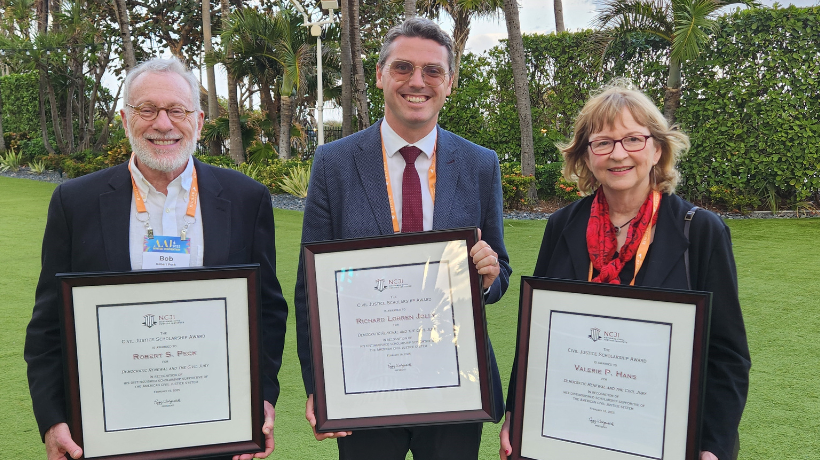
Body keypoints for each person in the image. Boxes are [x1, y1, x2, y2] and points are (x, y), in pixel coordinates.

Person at [24, 58, 287, 460]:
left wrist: (262, 398)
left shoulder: (245, 198)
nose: (162, 124)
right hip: (110, 431)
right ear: (126, 118)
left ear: (198, 121)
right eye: (147, 109)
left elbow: (267, 309)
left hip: (216, 427)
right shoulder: (74, 202)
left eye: (176, 110)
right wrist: (52, 419)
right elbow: (48, 324)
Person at [294, 17, 512, 460]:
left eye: (433, 71)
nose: (418, 81)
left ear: (449, 82)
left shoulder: (480, 164)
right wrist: (320, 384)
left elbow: (500, 272)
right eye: (403, 68)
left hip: (454, 382)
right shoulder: (333, 163)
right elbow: (310, 289)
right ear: (380, 75)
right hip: (363, 383)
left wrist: (489, 276)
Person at [498, 81, 751, 460]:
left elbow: (728, 353)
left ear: (657, 148)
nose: (619, 154)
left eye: (633, 139)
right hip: (572, 433)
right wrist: (517, 413)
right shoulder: (563, 225)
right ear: (585, 155)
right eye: (602, 142)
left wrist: (712, 446)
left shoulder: (700, 230)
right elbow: (537, 333)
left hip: (664, 438)